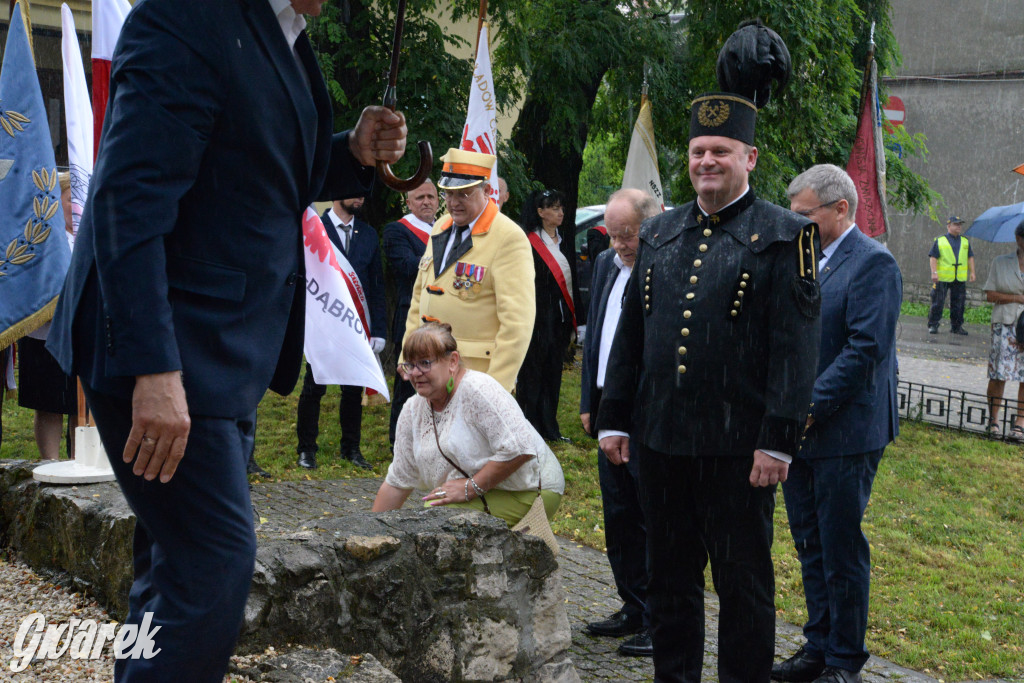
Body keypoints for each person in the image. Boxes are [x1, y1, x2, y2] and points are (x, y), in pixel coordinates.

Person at [45, 0, 408, 680]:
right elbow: (129, 197)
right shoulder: (188, 16)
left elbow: (256, 170)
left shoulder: (284, 36)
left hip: (221, 355)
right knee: (212, 563)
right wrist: (154, 368)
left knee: (173, 565)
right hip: (165, 350)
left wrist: (350, 154)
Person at [597, 72, 821, 681]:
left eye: (721, 151)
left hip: (738, 451)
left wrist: (778, 438)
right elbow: (632, 337)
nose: (707, 161)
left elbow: (795, 349)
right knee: (669, 582)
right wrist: (615, 417)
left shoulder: (785, 236)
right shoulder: (660, 232)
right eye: (698, 151)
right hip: (662, 443)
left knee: (743, 587)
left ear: (749, 157)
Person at [773, 165, 901, 683]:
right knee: (809, 541)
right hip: (798, 428)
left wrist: (807, 406)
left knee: (840, 545)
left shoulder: (875, 264)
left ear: (840, 209)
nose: (793, 222)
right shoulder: (802, 258)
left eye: (803, 214)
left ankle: (846, 660)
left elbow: (865, 350)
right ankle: (818, 644)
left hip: (846, 430)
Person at [373, 322, 564, 525]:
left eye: (425, 363)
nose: (415, 373)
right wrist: (369, 533)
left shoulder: (478, 389)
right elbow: (397, 481)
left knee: (437, 516)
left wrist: (470, 488)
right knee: (437, 510)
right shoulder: (412, 410)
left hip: (533, 488)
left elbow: (520, 448)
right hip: (490, 489)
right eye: (409, 365)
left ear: (453, 361)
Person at [580, 188, 660, 657]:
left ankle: (658, 617)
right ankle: (631, 604)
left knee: (651, 518)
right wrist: (592, 400)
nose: (618, 245)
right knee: (619, 516)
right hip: (608, 408)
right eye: (611, 236)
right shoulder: (610, 266)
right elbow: (597, 336)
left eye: (626, 235)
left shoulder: (662, 267)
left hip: (646, 411)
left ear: (649, 226)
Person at [402, 148, 534, 393]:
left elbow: (517, 324)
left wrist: (496, 388)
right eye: (449, 194)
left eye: (463, 194)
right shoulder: (440, 226)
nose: (453, 203)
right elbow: (419, 296)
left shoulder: (508, 237)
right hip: (429, 370)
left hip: (476, 376)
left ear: (487, 191)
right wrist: (407, 353)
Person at [295, 196, 386, 470]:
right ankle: (306, 450)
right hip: (323, 324)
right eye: (353, 190)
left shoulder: (368, 234)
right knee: (313, 387)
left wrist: (378, 330)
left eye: (363, 192)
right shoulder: (316, 229)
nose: (360, 196)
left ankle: (351, 449)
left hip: (356, 325)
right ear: (337, 194)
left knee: (352, 388)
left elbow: (377, 286)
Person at [18, 172, 77, 460]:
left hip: (81, 334)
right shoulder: (43, 239)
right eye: (69, 199)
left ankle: (81, 461)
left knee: (82, 405)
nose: (76, 205)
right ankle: (50, 461)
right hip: (45, 334)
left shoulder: (89, 236)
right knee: (50, 403)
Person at [517, 189, 581, 441]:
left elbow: (572, 283)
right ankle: (528, 429)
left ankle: (550, 429)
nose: (560, 212)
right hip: (536, 320)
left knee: (553, 374)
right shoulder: (528, 241)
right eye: (553, 208)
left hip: (559, 321)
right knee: (532, 375)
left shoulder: (563, 240)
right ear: (540, 213)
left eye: (561, 207)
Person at [383, 178, 438, 445]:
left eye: (431, 197)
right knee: (408, 386)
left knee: (438, 385)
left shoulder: (447, 230)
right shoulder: (397, 230)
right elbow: (405, 266)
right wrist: (447, 261)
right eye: (420, 197)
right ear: (408, 202)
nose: (426, 201)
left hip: (442, 320)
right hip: (412, 320)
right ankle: (400, 442)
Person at [981, 222, 1024, 441]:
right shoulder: (1000, 263)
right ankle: (993, 421)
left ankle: (1020, 423)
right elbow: (989, 294)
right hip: (1005, 324)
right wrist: (1017, 298)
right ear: (1018, 238)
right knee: (999, 374)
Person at [928, 216, 975, 335]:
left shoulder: (965, 241)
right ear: (949, 226)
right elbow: (933, 257)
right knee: (938, 302)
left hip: (959, 278)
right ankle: (933, 325)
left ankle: (956, 326)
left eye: (960, 224)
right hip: (942, 278)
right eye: (956, 224)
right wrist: (934, 272)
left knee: (959, 304)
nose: (959, 226)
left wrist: (972, 272)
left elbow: (970, 257)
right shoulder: (940, 240)